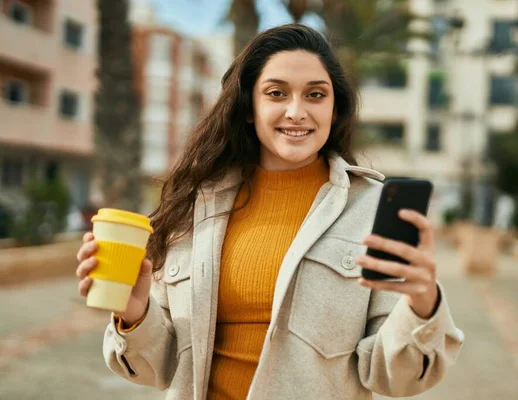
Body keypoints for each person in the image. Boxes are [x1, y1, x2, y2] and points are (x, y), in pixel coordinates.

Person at [76, 24, 464, 400]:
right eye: (276, 93)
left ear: (335, 108)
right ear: (249, 107)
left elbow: (394, 377)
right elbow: (156, 368)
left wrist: (422, 303)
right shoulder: (195, 205)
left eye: (315, 95)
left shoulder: (371, 210)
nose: (296, 112)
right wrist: (135, 312)